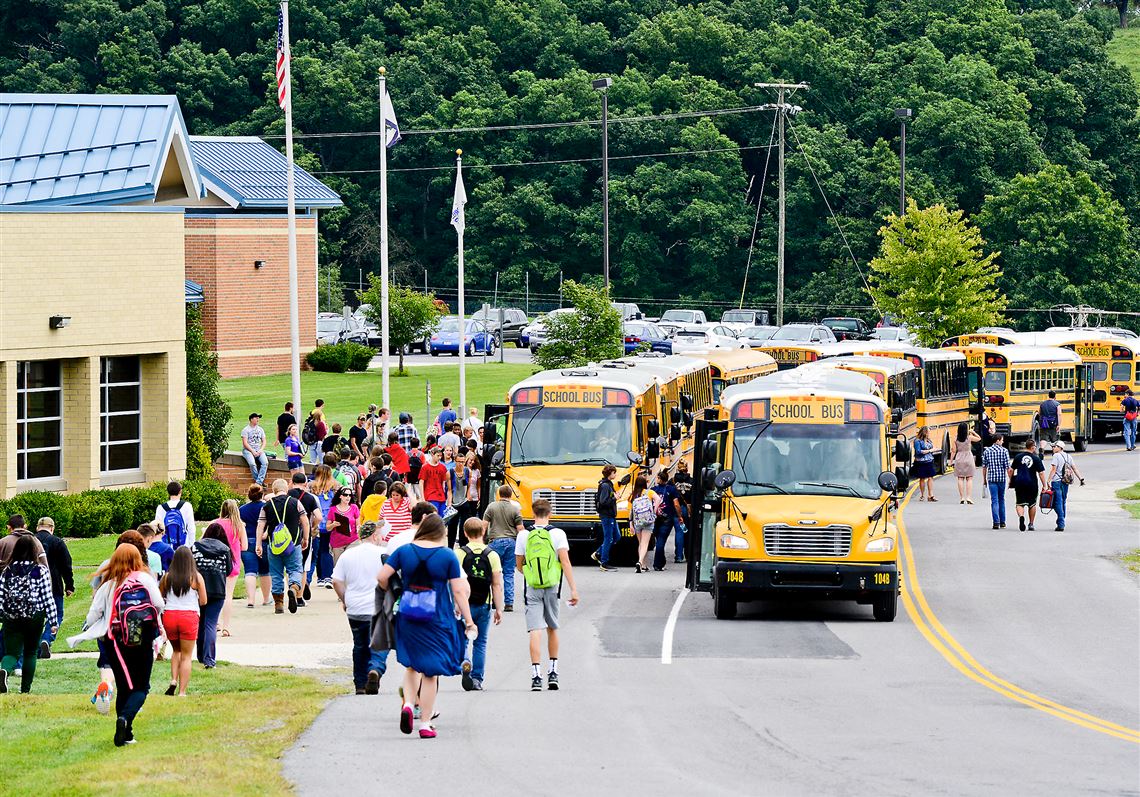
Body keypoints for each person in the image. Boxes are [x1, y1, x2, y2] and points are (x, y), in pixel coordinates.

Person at [378, 514, 475, 739]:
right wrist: (468, 620)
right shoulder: (447, 556)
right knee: (430, 673)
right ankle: (425, 723)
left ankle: (409, 705)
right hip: (437, 617)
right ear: (440, 532)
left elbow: (382, 577)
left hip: (409, 614)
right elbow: (459, 591)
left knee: (412, 665)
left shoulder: (404, 551)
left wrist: (396, 591)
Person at [72, 543, 164, 746]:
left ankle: (125, 731)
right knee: (141, 687)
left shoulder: (108, 585)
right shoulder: (145, 580)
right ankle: (125, 721)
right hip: (143, 638)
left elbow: (92, 615)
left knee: (123, 686)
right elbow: (159, 604)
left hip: (116, 641)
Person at [516, 498, 579, 692]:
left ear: (533, 514)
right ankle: (553, 672)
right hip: (553, 585)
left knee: (535, 630)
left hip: (532, 585)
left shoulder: (524, 535)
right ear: (550, 514)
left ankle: (536, 675)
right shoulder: (558, 533)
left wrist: (531, 573)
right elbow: (565, 562)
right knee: (552, 626)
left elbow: (519, 564)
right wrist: (573, 589)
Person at [332, 518, 390, 695]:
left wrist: (345, 599)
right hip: (376, 606)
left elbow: (336, 581)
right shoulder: (382, 554)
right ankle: (374, 670)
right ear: (374, 535)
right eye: (380, 535)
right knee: (378, 643)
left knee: (359, 645)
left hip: (355, 606)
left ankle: (360, 683)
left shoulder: (348, 555)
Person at [0, 535, 58, 693]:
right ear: (34, 551)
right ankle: (25, 689)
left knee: (11, 652)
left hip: (11, 616)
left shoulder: (8, 570)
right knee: (30, 652)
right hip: (34, 615)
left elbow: (1, 595)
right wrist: (53, 621)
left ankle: (4, 670)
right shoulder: (39, 570)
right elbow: (47, 597)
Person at [456, 517, 503, 691]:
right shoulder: (492, 555)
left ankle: (465, 662)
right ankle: (477, 679)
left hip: (464, 604)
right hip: (484, 603)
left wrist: (454, 605)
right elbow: (496, 585)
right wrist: (499, 608)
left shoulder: (459, 553)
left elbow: (453, 582)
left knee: (463, 640)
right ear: (483, 532)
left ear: (465, 533)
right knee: (481, 642)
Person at [256, 479, 311, 614]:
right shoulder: (296, 502)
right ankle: (293, 588)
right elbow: (305, 522)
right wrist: (305, 538)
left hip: (274, 545)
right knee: (295, 569)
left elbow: (260, 525)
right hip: (293, 543)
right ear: (286, 489)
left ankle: (278, 604)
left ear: (274, 490)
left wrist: (258, 544)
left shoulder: (267, 506)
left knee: (276, 574)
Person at [159, 547, 206, 696]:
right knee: (186, 656)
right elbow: (204, 601)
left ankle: (173, 680)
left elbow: (160, 598)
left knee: (176, 651)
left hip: (170, 616)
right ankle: (182, 691)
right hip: (188, 616)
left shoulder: (167, 577)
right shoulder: (196, 578)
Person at [191, 523, 232, 668]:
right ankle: (209, 659)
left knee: (200, 623)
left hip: (198, 591)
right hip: (217, 590)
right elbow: (228, 570)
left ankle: (200, 655)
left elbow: (191, 567)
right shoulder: (225, 549)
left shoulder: (195, 547)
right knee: (211, 624)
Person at [32, 517, 73, 659]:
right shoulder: (58, 542)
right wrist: (69, 585)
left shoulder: (30, 541)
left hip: (33, 585)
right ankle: (46, 639)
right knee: (56, 614)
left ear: (37, 527)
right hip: (54, 584)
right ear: (52, 528)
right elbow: (66, 565)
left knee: (35, 617)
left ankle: (36, 645)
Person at [484, 485, 525, 610]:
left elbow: (483, 525)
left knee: (493, 573)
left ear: (498, 494)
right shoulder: (515, 509)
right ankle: (509, 603)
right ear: (510, 495)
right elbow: (520, 529)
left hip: (495, 542)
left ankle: (494, 601)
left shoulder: (491, 507)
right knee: (508, 573)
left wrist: (481, 541)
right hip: (511, 542)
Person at [292, 471, 328, 595]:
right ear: (305, 483)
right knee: (304, 565)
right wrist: (313, 527)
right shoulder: (310, 497)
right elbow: (319, 516)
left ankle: (292, 588)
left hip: (288, 532)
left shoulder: (286, 495)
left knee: (290, 565)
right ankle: (300, 595)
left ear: (292, 482)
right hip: (304, 532)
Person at [215, 499, 247, 637]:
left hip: (216, 562)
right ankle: (226, 627)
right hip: (232, 563)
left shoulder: (216, 523)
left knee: (216, 594)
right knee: (228, 595)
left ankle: (215, 623)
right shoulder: (239, 525)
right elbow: (245, 546)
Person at [238, 484, 272, 608]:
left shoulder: (242, 509)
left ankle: (251, 600)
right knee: (265, 571)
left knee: (250, 571)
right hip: (263, 541)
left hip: (247, 542)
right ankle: (266, 598)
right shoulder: (266, 507)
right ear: (262, 494)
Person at [1047, 441, 1085, 532]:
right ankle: (1062, 520)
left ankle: (1061, 523)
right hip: (1066, 481)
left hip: (1056, 482)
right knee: (1063, 501)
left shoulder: (1056, 456)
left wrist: (1048, 480)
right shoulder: (1069, 456)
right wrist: (1081, 478)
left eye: (1054, 446)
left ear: (1060, 448)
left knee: (1057, 502)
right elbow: (1074, 468)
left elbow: (1053, 469)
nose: (1053, 448)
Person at [1010, 439, 1047, 532]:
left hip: (1019, 482)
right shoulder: (1036, 458)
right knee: (1032, 504)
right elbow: (1041, 473)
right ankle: (1031, 523)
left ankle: (1021, 517)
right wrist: (1044, 485)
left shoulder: (1018, 457)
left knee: (1019, 503)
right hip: (1032, 483)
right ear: (1033, 447)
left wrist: (1011, 480)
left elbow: (1011, 470)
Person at [651, 471, 685, 572]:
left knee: (659, 540)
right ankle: (658, 564)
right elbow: (676, 504)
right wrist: (679, 516)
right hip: (667, 519)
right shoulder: (671, 489)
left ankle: (660, 562)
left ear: (660, 479)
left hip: (655, 518)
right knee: (661, 541)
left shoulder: (653, 490)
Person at [592, 465, 620, 572]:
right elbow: (603, 501)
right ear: (610, 474)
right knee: (609, 538)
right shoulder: (605, 486)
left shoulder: (608, 485)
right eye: (614, 473)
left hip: (611, 515)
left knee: (616, 537)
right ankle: (604, 562)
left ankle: (598, 553)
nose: (615, 474)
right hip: (607, 515)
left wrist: (614, 496)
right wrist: (614, 498)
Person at [629, 475, 659, 573]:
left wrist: (630, 524)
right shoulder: (649, 492)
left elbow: (631, 510)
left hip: (637, 521)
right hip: (648, 520)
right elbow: (658, 499)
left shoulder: (633, 494)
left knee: (641, 543)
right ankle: (640, 562)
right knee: (645, 543)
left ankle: (644, 565)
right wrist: (654, 511)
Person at [980, 434, 1011, 529]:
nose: (1003, 442)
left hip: (991, 479)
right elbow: (1007, 467)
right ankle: (1003, 522)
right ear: (997, 441)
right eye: (1002, 440)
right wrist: (1011, 479)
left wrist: (984, 479)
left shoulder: (987, 451)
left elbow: (984, 467)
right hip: (1002, 479)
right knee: (1001, 499)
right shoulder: (1004, 451)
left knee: (994, 500)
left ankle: (996, 522)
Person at [154, 481, 196, 548]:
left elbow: (157, 528)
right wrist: (191, 544)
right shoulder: (187, 506)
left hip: (166, 545)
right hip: (184, 544)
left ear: (168, 492)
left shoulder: (161, 508)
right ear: (180, 491)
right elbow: (191, 527)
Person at [327, 487, 361, 564]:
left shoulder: (354, 507)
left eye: (350, 495)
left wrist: (359, 529)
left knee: (351, 564)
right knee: (338, 566)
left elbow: (358, 523)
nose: (348, 497)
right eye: (345, 495)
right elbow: (328, 528)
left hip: (353, 540)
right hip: (337, 542)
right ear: (340, 496)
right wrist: (333, 524)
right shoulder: (333, 509)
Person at [952, 422, 982, 504]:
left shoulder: (955, 439)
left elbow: (953, 451)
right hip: (968, 458)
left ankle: (962, 497)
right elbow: (979, 438)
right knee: (969, 478)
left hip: (959, 458)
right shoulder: (969, 438)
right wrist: (973, 432)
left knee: (960, 478)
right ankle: (968, 497)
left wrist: (951, 461)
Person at [420, 447, 451, 519]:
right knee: (433, 518)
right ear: (432, 454)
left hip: (441, 496)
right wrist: (423, 498)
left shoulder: (442, 467)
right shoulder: (425, 467)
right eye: (438, 455)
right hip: (430, 496)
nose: (439, 458)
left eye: (440, 456)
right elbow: (421, 482)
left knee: (442, 518)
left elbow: (444, 483)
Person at [240, 412, 269, 485]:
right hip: (248, 450)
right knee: (252, 464)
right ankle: (258, 481)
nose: (258, 419)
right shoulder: (246, 430)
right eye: (256, 418)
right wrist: (252, 451)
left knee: (265, 463)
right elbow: (245, 443)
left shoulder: (260, 429)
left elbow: (264, 441)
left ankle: (258, 482)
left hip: (259, 450)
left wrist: (261, 450)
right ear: (251, 419)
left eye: (258, 418)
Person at [912, 427, 937, 502]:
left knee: (930, 477)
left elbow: (931, 449)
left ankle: (930, 495)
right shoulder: (917, 441)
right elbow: (918, 451)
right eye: (928, 432)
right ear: (924, 432)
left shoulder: (929, 440)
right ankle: (922, 495)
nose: (929, 434)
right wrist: (930, 450)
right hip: (921, 462)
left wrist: (932, 450)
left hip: (929, 460)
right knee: (922, 478)